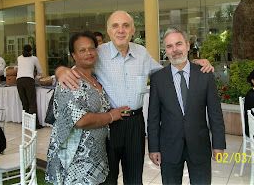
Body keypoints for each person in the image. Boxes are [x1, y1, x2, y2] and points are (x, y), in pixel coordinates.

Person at [55, 10, 214, 185]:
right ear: (109, 31)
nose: (120, 30)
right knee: (109, 179)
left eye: (125, 25)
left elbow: (165, 73)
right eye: (115, 26)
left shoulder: (142, 53)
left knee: (134, 179)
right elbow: (79, 67)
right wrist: (60, 70)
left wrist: (191, 65)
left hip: (135, 125)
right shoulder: (98, 53)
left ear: (133, 30)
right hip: (109, 123)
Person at [45, 31, 129, 185]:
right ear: (73, 55)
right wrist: (111, 116)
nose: (88, 53)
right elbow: (81, 120)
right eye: (82, 50)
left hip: (96, 157)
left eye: (91, 48)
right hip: (76, 160)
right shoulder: (70, 81)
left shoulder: (95, 78)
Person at [148, 27, 226, 185]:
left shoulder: (204, 74)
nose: (175, 50)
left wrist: (218, 144)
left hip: (199, 146)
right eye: (169, 46)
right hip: (169, 148)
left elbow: (215, 113)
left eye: (178, 44)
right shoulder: (158, 78)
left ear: (188, 46)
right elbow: (153, 118)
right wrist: (153, 148)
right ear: (166, 50)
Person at [16, 44, 43, 129]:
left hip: (19, 81)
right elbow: (40, 70)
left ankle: (26, 123)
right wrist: (38, 77)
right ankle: (35, 124)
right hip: (28, 80)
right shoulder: (34, 58)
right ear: (31, 51)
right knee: (32, 103)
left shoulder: (19, 58)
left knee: (24, 103)